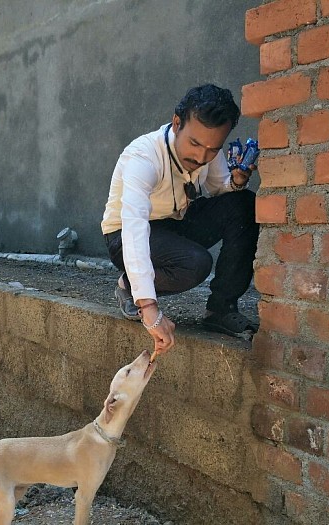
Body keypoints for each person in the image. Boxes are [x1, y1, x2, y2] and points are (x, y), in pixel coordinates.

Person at [101, 84, 259, 356]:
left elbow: (217, 188)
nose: (201, 157)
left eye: (212, 149)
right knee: (195, 264)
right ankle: (128, 285)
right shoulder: (143, 157)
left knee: (243, 203)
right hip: (124, 235)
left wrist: (235, 181)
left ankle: (221, 309)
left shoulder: (207, 149)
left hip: (176, 221)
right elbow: (135, 227)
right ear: (177, 123)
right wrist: (148, 306)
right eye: (194, 144)